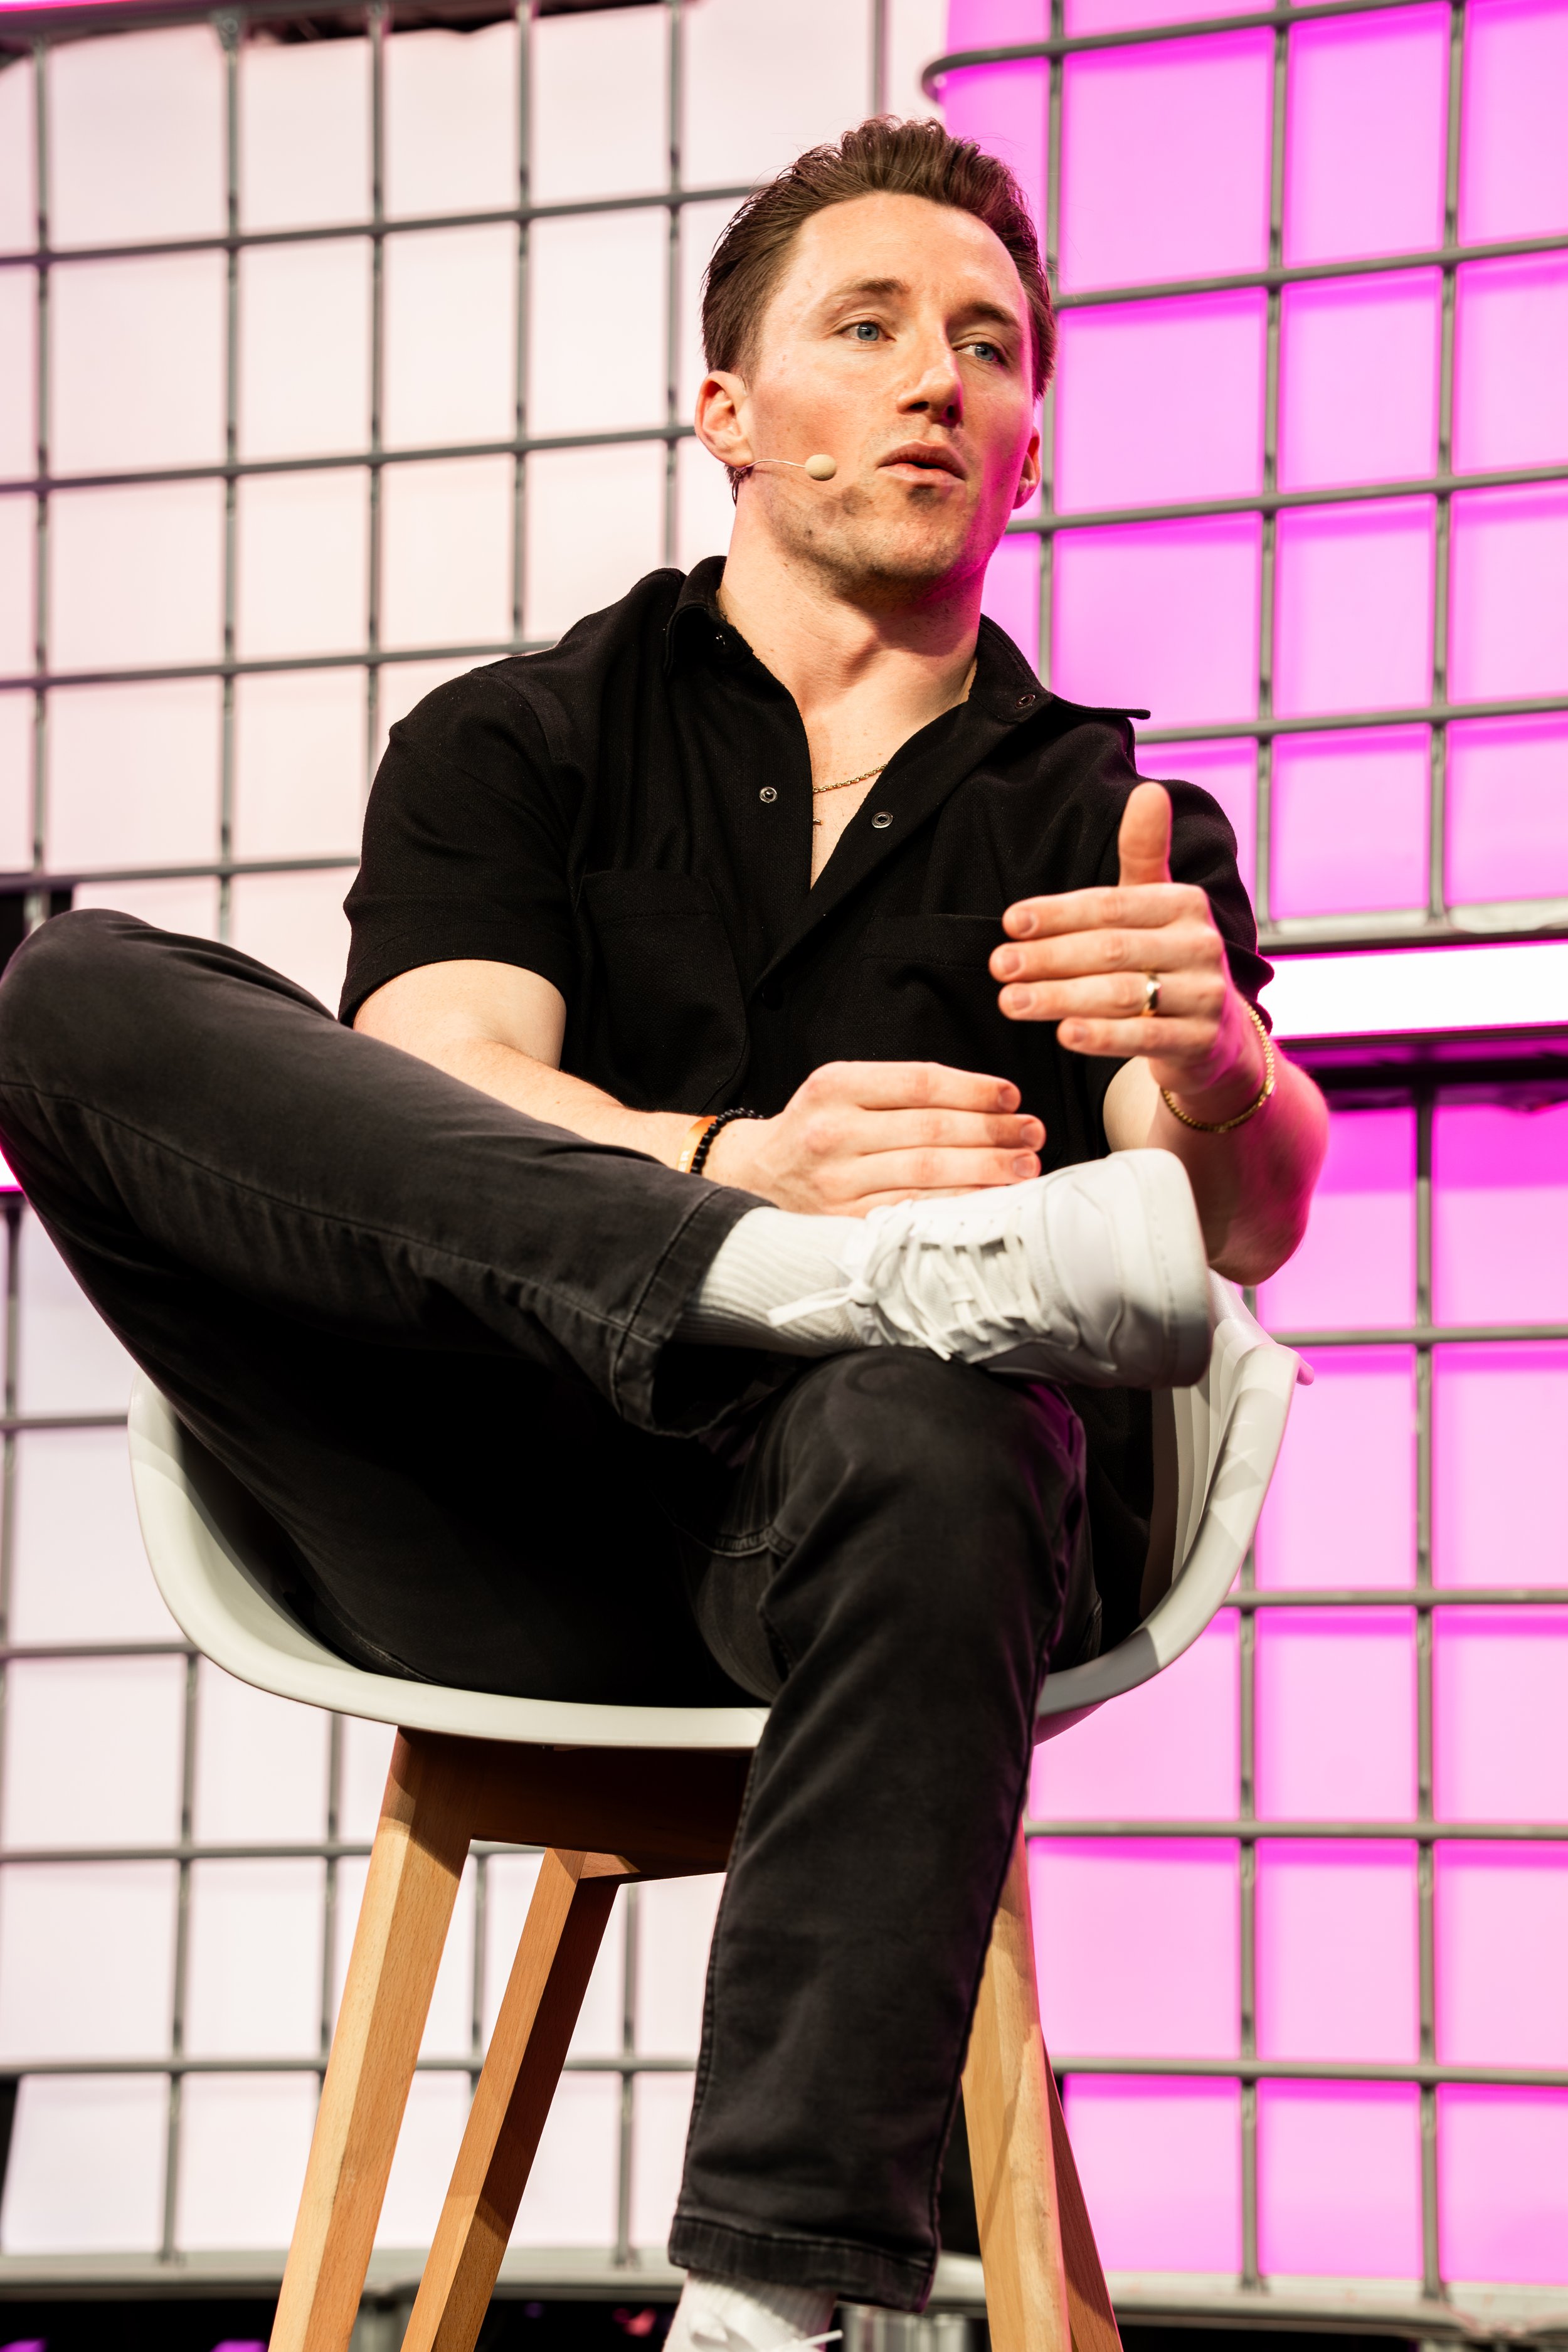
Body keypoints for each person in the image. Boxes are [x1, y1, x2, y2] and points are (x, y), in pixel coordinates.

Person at [0, 119, 1325, 2352]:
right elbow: (433, 1082)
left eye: (989, 347)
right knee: (72, 996)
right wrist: (734, 1172)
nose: (939, 381)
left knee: (949, 1427)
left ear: (1027, 441)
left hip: (848, 1548)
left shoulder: (1100, 811)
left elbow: (1226, 1240)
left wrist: (1215, 1075)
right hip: (488, 1487)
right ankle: (813, 1287)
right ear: (728, 410)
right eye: (870, 327)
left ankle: (771, 2306)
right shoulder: (519, 740)